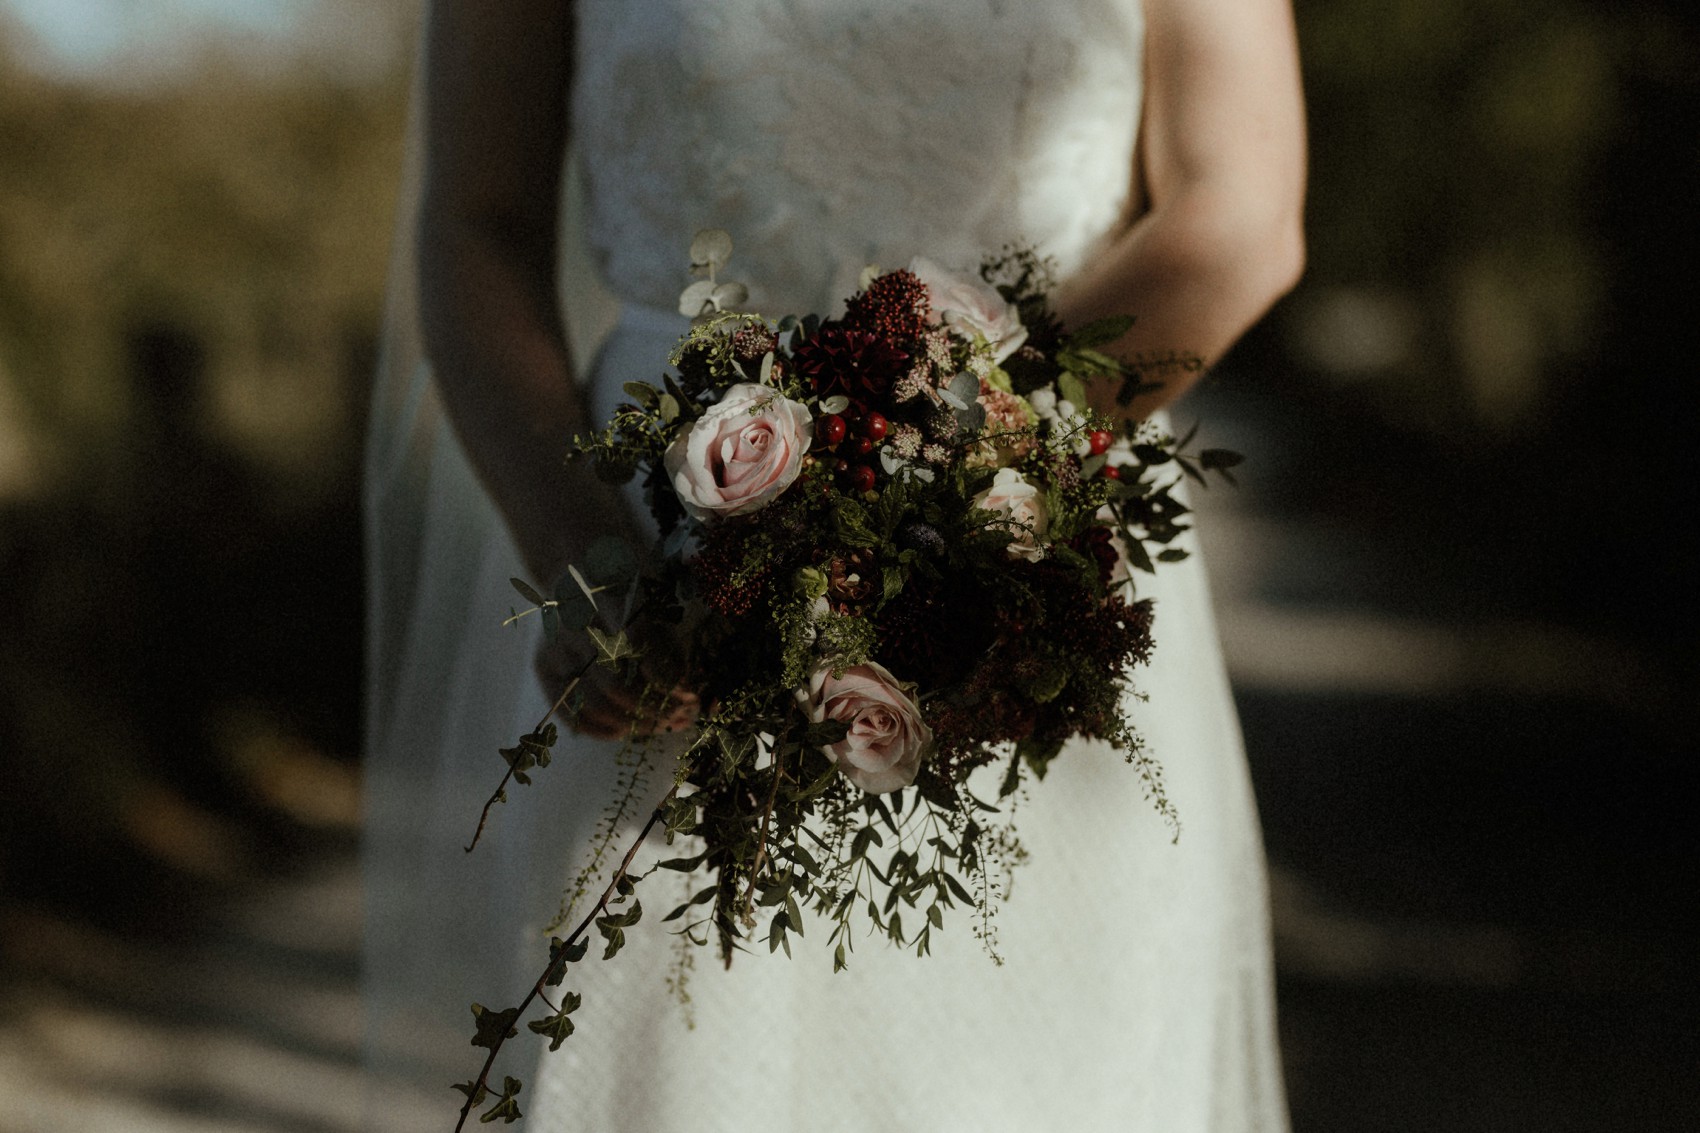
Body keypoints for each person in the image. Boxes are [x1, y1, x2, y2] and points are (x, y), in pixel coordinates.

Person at [364, 0, 1305, 1128]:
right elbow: (475, 224)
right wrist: (584, 555)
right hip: (671, 566)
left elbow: (1238, 209)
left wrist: (946, 482)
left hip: (1026, 548)